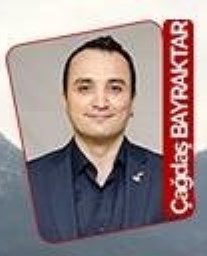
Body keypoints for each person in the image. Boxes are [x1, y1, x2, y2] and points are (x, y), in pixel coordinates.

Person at [26, 35, 164, 242]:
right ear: (65, 100)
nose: (100, 103)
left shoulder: (172, 177)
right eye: (84, 88)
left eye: (115, 88)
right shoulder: (30, 180)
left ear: (132, 101)